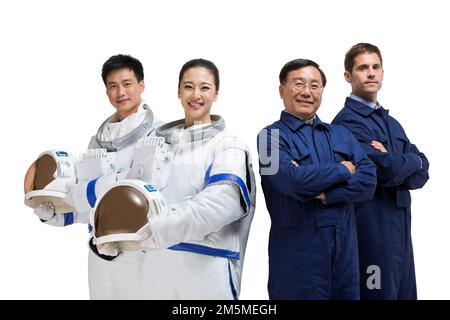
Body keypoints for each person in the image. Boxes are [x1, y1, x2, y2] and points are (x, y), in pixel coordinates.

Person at [33, 54, 163, 299]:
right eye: (113, 86)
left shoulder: (159, 133)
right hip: (100, 248)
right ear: (106, 91)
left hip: (141, 249)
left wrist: (86, 192)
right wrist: (60, 215)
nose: (120, 92)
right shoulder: (98, 139)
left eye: (127, 84)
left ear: (141, 85)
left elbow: (144, 188)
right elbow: (92, 205)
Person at [135, 58, 256, 299]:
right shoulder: (157, 146)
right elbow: (133, 196)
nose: (196, 95)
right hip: (157, 265)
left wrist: (159, 228)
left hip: (207, 268)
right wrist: (112, 232)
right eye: (188, 87)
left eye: (205, 87)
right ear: (179, 92)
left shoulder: (228, 145)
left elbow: (220, 205)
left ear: (216, 93)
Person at [257, 59, 377, 299]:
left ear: (322, 91)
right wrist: (343, 170)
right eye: (298, 84)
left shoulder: (341, 133)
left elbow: (369, 181)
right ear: (282, 90)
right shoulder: (268, 139)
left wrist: (328, 193)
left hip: (346, 260)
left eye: (314, 85)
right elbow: (290, 181)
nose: (306, 92)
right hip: (297, 262)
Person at [332, 43, 429, 299]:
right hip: (372, 230)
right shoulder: (347, 122)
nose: (371, 73)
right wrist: (407, 160)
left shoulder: (391, 122)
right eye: (363, 68)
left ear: (383, 73)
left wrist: (406, 161)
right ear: (348, 76)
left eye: (376, 67)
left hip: (401, 235)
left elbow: (423, 171)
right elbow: (386, 170)